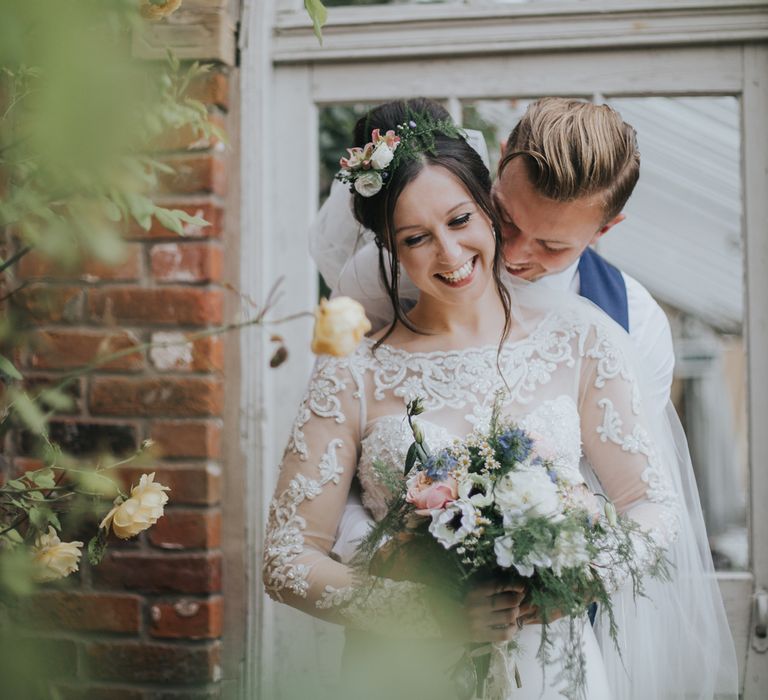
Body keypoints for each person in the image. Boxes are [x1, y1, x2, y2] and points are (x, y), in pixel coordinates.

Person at [262, 100, 737, 699]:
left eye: (462, 220)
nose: (455, 254)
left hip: (555, 668)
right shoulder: (353, 369)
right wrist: (428, 605)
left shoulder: (591, 340)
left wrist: (575, 576)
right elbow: (286, 557)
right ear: (390, 246)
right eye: (416, 237)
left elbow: (652, 502)